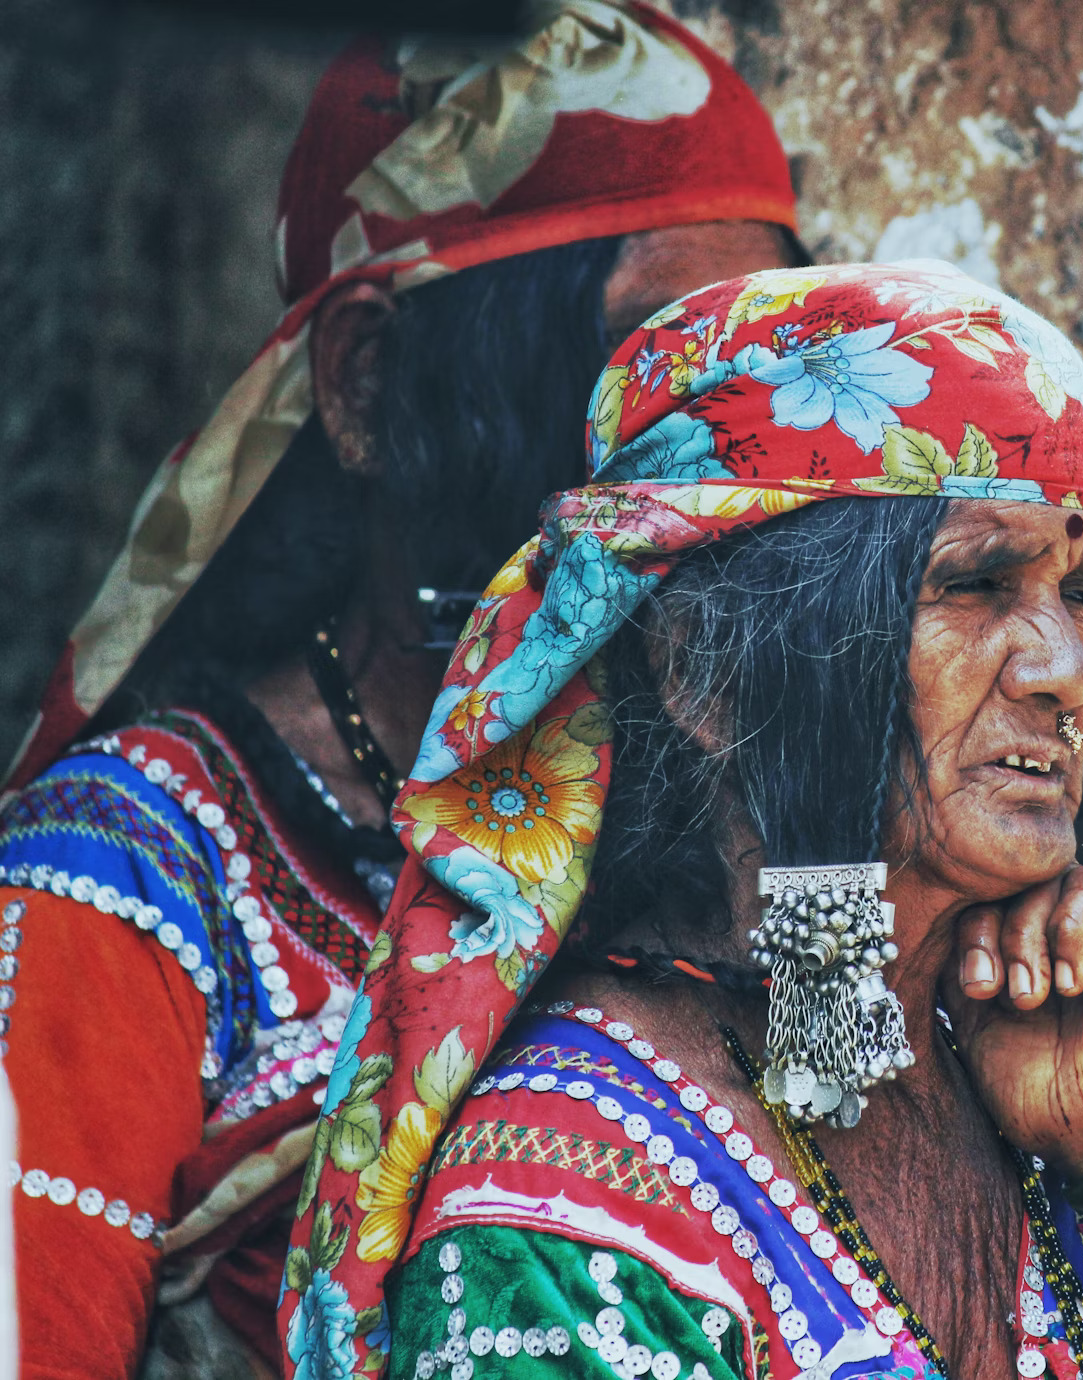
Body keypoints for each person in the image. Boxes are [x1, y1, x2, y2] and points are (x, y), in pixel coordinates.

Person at [279, 261, 1083, 1380]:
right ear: (704, 670)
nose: (1072, 672)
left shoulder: (1027, 1085)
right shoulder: (561, 1213)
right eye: (976, 583)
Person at [0, 5, 800, 1372]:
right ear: (369, 384)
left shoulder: (757, 818)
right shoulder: (126, 876)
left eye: (761, 372)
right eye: (648, 367)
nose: (729, 464)